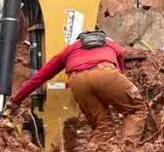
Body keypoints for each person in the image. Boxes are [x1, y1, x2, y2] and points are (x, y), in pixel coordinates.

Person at [6, 31, 147, 143]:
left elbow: (39, 77)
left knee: (102, 124)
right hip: (106, 73)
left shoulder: (69, 49)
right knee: (136, 110)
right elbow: (119, 72)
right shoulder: (112, 44)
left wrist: (16, 101)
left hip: (77, 81)